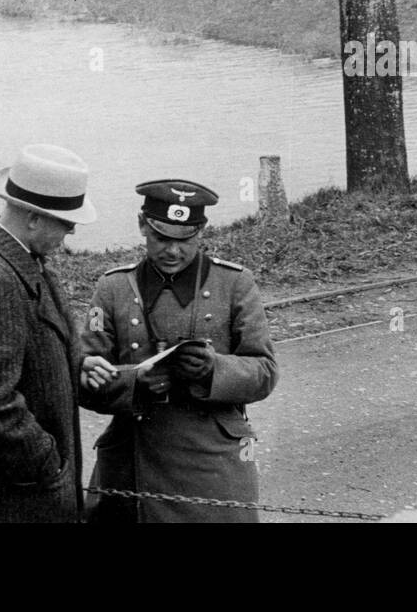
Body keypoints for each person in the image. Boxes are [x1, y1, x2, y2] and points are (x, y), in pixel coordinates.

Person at [78, 179, 278, 523]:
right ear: (143, 225)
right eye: (161, 237)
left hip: (212, 465)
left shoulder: (234, 284)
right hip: (132, 460)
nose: (173, 251)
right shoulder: (112, 289)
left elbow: (264, 372)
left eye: (185, 239)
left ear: (202, 231)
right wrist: (135, 382)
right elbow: (84, 378)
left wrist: (213, 370)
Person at [0, 143, 96, 523]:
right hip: (6, 504)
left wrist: (77, 365)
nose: (71, 232)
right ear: (34, 218)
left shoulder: (20, 263)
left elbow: (30, 358)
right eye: (66, 222)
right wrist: (49, 465)